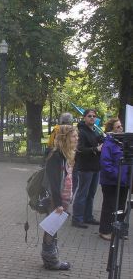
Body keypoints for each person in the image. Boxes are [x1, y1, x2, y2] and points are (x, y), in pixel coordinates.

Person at [42, 125, 78, 270]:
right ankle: (51, 261)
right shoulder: (56, 156)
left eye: (77, 136)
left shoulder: (65, 154)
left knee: (52, 229)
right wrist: (58, 204)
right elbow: (54, 183)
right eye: (74, 136)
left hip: (62, 199)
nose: (77, 139)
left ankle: (50, 259)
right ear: (65, 138)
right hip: (55, 200)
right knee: (51, 230)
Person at [72, 109, 104, 228]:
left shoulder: (94, 131)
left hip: (95, 167)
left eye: (94, 116)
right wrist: (95, 149)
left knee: (91, 194)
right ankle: (77, 219)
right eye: (89, 116)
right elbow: (79, 150)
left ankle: (88, 217)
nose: (92, 118)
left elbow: (100, 142)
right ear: (84, 117)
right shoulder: (81, 132)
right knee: (82, 193)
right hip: (85, 168)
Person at [98, 118, 128, 241]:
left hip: (123, 181)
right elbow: (106, 164)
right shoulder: (108, 144)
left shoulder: (123, 143)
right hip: (111, 182)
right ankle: (105, 231)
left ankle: (118, 230)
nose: (121, 128)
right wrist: (117, 176)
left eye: (121, 126)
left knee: (120, 206)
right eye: (117, 127)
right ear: (111, 130)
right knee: (109, 206)